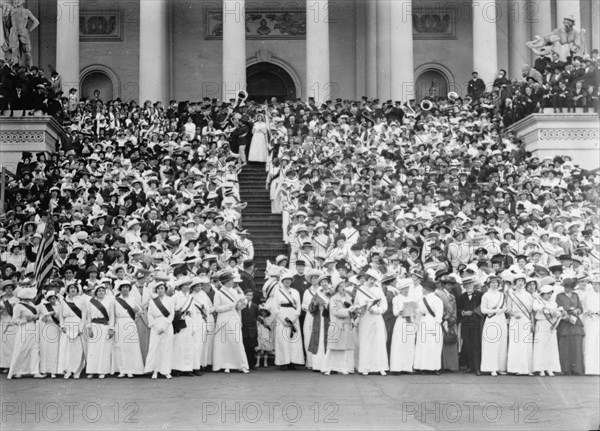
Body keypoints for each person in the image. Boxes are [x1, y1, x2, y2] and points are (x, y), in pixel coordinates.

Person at [212, 272, 250, 373]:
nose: (233, 281)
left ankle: (241, 365)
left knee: (237, 341)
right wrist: (231, 305)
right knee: (224, 343)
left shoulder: (234, 291)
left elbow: (238, 307)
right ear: (227, 281)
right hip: (223, 319)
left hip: (234, 318)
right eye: (231, 280)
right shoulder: (218, 293)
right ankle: (226, 365)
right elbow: (217, 308)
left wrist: (242, 304)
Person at [354, 269, 388, 376]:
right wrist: (360, 310)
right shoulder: (360, 290)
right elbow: (356, 305)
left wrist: (377, 310)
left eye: (374, 279)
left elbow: (384, 305)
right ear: (366, 278)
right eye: (371, 279)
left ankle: (380, 367)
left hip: (377, 318)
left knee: (379, 341)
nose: (372, 281)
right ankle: (365, 367)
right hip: (365, 319)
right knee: (365, 342)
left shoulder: (378, 290)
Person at [7, 288, 43, 379]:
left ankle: (35, 371)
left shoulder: (32, 304)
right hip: (24, 328)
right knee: (21, 349)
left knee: (35, 349)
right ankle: (19, 370)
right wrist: (26, 319)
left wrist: (37, 316)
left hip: (34, 328)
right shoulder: (18, 306)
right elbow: (14, 320)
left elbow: (36, 314)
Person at [322, 280, 355, 375]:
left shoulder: (349, 298)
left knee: (346, 348)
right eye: (340, 286)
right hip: (337, 324)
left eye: (343, 286)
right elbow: (335, 312)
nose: (343, 288)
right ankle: (329, 367)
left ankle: (345, 368)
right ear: (337, 289)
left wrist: (355, 311)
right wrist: (349, 311)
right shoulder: (333, 299)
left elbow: (352, 310)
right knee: (334, 347)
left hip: (347, 325)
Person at [113, 280, 145, 378]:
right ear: (120, 289)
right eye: (123, 287)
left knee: (131, 347)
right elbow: (112, 314)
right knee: (120, 347)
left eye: (127, 287)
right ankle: (122, 370)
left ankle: (131, 369)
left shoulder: (133, 298)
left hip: (130, 323)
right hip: (119, 322)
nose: (125, 289)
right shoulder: (115, 300)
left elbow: (140, 311)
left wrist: (138, 310)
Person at [273, 270, 304, 370]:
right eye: (285, 280)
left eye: (289, 280)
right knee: (283, 339)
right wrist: (282, 320)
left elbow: (299, 306)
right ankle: (283, 362)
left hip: (293, 316)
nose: (287, 281)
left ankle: (292, 361)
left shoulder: (295, 292)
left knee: (293, 339)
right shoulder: (278, 292)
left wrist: (295, 318)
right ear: (282, 281)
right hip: (282, 316)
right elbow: (275, 308)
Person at [144, 281, 175, 379]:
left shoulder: (170, 300)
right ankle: (155, 370)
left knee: (166, 348)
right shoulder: (152, 301)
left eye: (162, 288)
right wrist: (156, 327)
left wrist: (165, 326)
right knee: (155, 348)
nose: (160, 290)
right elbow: (150, 315)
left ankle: (166, 371)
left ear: (165, 289)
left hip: (167, 325)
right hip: (156, 326)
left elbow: (172, 314)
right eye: (158, 288)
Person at [506, 273, 534, 375]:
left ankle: (527, 369)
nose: (521, 283)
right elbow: (508, 309)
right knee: (516, 343)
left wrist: (531, 323)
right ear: (515, 283)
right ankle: (516, 368)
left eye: (522, 281)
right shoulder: (511, 295)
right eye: (519, 281)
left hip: (526, 320)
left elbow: (531, 310)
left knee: (526, 344)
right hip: (516, 320)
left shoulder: (528, 295)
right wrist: (514, 314)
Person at [555, 278, 585, 375]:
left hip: (575, 322)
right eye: (565, 287)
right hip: (564, 322)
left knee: (576, 345)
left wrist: (577, 311)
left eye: (568, 287)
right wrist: (565, 314)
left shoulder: (576, 295)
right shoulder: (559, 296)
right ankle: (565, 369)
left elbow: (580, 307)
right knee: (565, 345)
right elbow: (558, 307)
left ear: (572, 287)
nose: (567, 289)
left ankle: (576, 369)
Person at [532, 280, 562, 376]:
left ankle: (550, 368)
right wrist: (547, 309)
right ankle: (540, 368)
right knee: (540, 346)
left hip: (551, 325)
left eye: (550, 293)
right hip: (541, 324)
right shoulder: (537, 301)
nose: (549, 295)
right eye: (547, 293)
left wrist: (555, 313)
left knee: (551, 347)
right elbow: (536, 308)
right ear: (542, 294)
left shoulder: (553, 303)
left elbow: (558, 313)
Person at [480, 275, 508, 376]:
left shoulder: (502, 294)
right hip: (491, 319)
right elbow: (483, 310)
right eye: (492, 282)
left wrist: (504, 309)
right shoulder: (486, 295)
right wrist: (496, 310)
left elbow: (505, 306)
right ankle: (491, 368)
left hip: (501, 319)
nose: (494, 284)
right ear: (488, 284)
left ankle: (500, 367)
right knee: (491, 344)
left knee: (502, 343)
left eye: (496, 282)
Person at [413, 279, 443, 374]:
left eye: (423, 288)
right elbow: (418, 313)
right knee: (424, 346)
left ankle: (434, 367)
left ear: (427, 289)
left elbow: (439, 316)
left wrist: (436, 327)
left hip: (432, 323)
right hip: (423, 322)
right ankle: (424, 367)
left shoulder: (437, 300)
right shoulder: (422, 300)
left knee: (433, 346)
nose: (422, 290)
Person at [58, 282, 87, 379]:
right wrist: (62, 326)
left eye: (74, 288)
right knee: (67, 349)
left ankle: (77, 370)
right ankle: (67, 369)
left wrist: (81, 328)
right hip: (67, 325)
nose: (73, 289)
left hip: (77, 324)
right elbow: (60, 315)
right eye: (71, 288)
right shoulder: (63, 301)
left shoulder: (82, 301)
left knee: (77, 349)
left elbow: (84, 316)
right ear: (68, 290)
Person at [390, 279, 418, 373]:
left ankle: (407, 367)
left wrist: (413, 310)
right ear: (400, 290)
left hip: (410, 322)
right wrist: (400, 311)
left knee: (409, 344)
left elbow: (416, 311)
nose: (406, 290)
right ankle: (397, 367)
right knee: (399, 344)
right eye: (404, 288)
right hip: (401, 322)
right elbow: (394, 313)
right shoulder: (396, 298)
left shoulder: (412, 297)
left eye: (407, 288)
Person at [85, 284, 114, 379]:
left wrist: (111, 328)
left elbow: (112, 316)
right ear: (96, 293)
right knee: (93, 349)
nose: (101, 292)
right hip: (94, 326)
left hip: (105, 326)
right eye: (99, 291)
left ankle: (102, 371)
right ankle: (92, 371)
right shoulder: (91, 302)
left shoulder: (109, 302)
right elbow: (88, 316)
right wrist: (89, 328)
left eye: (103, 291)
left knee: (104, 349)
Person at [457, 276, 483, 375]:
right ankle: (469, 366)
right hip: (466, 323)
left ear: (473, 284)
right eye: (466, 284)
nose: (468, 286)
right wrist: (463, 312)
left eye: (470, 283)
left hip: (476, 323)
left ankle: (477, 367)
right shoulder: (461, 297)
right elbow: (458, 309)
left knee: (476, 345)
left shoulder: (480, 295)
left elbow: (483, 307)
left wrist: (475, 312)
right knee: (467, 345)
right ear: (463, 286)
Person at [172, 277, 195, 376]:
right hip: (180, 321)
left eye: (188, 285)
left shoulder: (191, 297)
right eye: (185, 285)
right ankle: (176, 368)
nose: (187, 287)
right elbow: (172, 309)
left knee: (188, 345)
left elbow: (193, 312)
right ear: (181, 286)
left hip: (189, 321)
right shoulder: (176, 296)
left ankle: (187, 368)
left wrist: (194, 326)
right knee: (178, 345)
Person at [437, 275, 459, 372]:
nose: (450, 287)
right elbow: (437, 308)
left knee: (452, 341)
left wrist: (453, 318)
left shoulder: (452, 296)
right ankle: (442, 366)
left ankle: (451, 366)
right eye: (448, 284)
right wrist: (445, 317)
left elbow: (454, 309)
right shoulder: (437, 294)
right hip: (443, 320)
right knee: (443, 342)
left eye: (451, 285)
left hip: (451, 321)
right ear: (443, 285)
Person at [38, 290, 61, 378]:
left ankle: (53, 371)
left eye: (54, 298)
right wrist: (46, 317)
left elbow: (60, 319)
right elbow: (42, 319)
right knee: (45, 349)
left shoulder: (59, 306)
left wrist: (55, 314)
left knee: (54, 349)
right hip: (47, 329)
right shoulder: (44, 307)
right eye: (50, 298)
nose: (52, 300)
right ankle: (45, 370)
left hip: (55, 328)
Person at [582, 274, 599, 375]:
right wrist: (587, 312)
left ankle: (597, 368)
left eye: (597, 284)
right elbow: (583, 307)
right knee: (589, 343)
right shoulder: (587, 295)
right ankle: (589, 369)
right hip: (589, 321)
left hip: (598, 321)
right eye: (593, 284)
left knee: (598, 344)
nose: (595, 286)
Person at [0, 280, 18, 372]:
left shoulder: (16, 300)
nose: (9, 290)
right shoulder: (1, 299)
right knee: (3, 344)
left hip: (12, 322)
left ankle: (12, 364)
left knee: (12, 343)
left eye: (11, 288)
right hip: (3, 321)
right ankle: (4, 365)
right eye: (7, 288)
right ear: (4, 289)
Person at [240, 289, 259, 369]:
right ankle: (246, 363)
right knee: (245, 346)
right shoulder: (242, 305)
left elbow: (256, 316)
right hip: (244, 328)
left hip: (252, 328)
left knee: (252, 347)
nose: (249, 296)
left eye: (250, 295)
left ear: (252, 296)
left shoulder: (255, 306)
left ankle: (252, 364)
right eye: (247, 295)